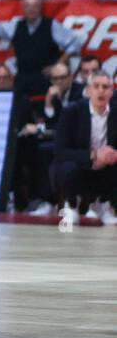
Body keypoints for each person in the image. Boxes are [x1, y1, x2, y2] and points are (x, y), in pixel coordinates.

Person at [51, 72, 117, 228]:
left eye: (105, 87)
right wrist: (93, 155)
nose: (101, 90)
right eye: (96, 86)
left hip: (108, 165)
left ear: (111, 92)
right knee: (66, 167)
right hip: (80, 163)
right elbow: (60, 150)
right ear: (88, 90)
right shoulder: (71, 112)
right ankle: (71, 204)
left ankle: (107, 205)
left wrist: (112, 154)